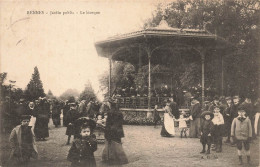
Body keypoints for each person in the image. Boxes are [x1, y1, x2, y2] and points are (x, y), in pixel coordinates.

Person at [102, 98, 128, 165]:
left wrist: (106, 132)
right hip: (118, 131)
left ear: (110, 105)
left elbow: (108, 124)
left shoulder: (110, 112)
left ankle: (111, 159)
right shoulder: (119, 113)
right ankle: (120, 159)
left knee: (110, 145)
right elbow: (121, 123)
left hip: (111, 131)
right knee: (118, 145)